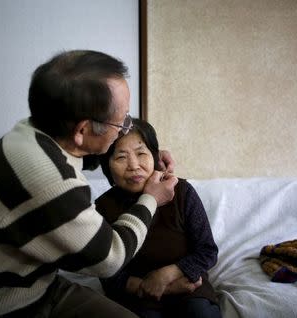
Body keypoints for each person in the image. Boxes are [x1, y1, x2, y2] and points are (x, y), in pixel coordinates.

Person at [0, 50, 178, 318]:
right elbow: (111, 257)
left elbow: (79, 156)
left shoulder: (31, 131)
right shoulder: (54, 184)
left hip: (31, 281)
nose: (124, 127)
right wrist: (151, 198)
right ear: (83, 130)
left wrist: (150, 154)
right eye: (121, 121)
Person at [95, 118, 221, 318]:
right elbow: (109, 274)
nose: (134, 166)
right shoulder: (103, 207)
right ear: (107, 166)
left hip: (190, 286)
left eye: (141, 153)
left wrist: (166, 275)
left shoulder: (181, 192)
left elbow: (207, 251)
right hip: (136, 294)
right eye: (121, 157)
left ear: (154, 157)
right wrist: (154, 286)